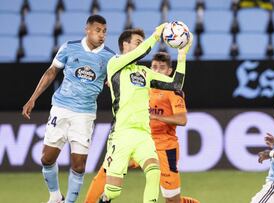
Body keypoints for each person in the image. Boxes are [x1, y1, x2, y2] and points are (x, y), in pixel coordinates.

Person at [21, 15, 115, 203]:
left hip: (85, 114)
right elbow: (51, 72)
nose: (102, 35)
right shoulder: (69, 47)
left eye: (104, 31)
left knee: (79, 165)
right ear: (87, 29)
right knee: (47, 159)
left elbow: (115, 81)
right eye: (98, 30)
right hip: (61, 109)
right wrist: (33, 98)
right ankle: (55, 196)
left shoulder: (109, 57)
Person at [84, 52, 198, 203]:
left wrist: (157, 117)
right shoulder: (143, 85)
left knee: (172, 200)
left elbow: (182, 120)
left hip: (164, 146)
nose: (157, 71)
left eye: (162, 68)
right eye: (154, 67)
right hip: (137, 139)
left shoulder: (173, 91)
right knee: (106, 172)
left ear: (169, 71)